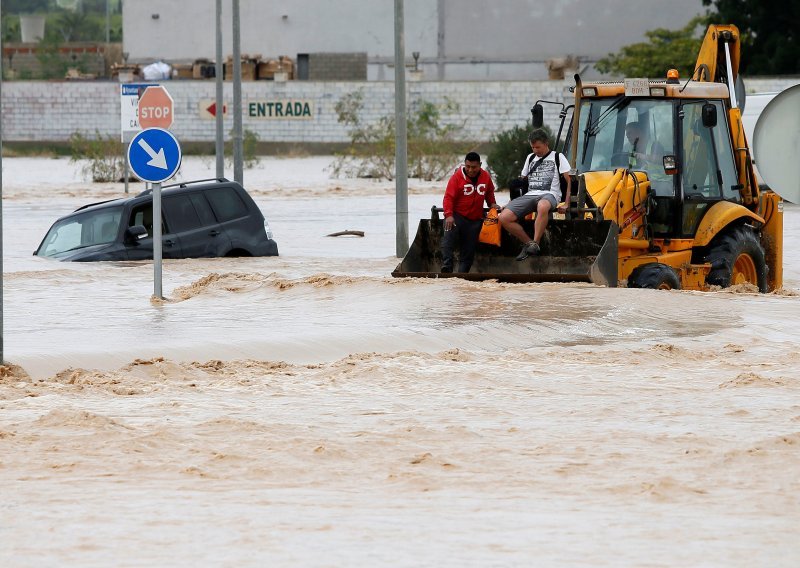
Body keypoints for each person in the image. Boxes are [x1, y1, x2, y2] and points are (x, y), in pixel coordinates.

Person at [498, 129, 571, 260]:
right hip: (530, 194)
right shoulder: (530, 158)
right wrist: (511, 203)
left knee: (543, 206)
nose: (535, 150)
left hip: (550, 195)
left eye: (538, 147)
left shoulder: (558, 157)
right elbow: (522, 181)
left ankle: (536, 241)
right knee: (504, 217)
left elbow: (569, 180)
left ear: (546, 143)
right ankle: (530, 244)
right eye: (533, 147)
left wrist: (566, 203)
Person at [440, 151, 499, 273]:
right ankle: (447, 267)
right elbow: (448, 198)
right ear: (464, 165)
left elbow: (489, 195)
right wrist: (449, 215)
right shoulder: (456, 177)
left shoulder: (486, 177)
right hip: (457, 216)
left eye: (474, 167)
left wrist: (493, 205)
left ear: (480, 165)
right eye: (468, 167)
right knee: (448, 237)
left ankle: (462, 275)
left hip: (475, 219)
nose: (471, 170)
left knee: (469, 249)